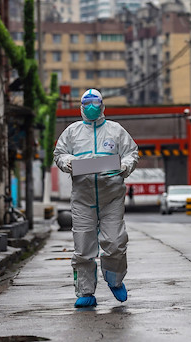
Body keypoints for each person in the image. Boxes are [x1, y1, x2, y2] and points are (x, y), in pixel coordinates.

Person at [54, 89, 139, 307]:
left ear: (102, 106)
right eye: (87, 103)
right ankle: (85, 292)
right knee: (83, 246)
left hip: (112, 196)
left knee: (115, 242)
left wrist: (125, 165)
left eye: (95, 102)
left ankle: (114, 279)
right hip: (83, 198)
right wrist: (68, 162)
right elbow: (59, 154)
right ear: (81, 107)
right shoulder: (72, 132)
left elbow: (132, 152)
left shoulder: (115, 130)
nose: (91, 106)